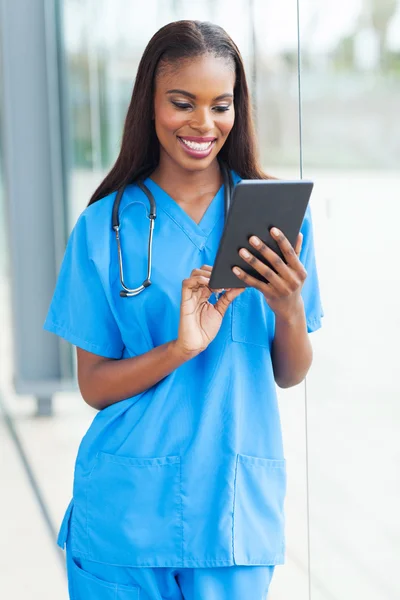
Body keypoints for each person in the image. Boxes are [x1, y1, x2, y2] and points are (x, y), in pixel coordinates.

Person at [44, 19, 322, 600]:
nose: (203, 124)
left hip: (230, 515)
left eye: (221, 105)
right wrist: (179, 349)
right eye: (182, 103)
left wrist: (289, 307)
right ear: (149, 103)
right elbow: (94, 385)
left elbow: (289, 372)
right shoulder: (104, 227)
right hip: (122, 514)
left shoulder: (273, 222)